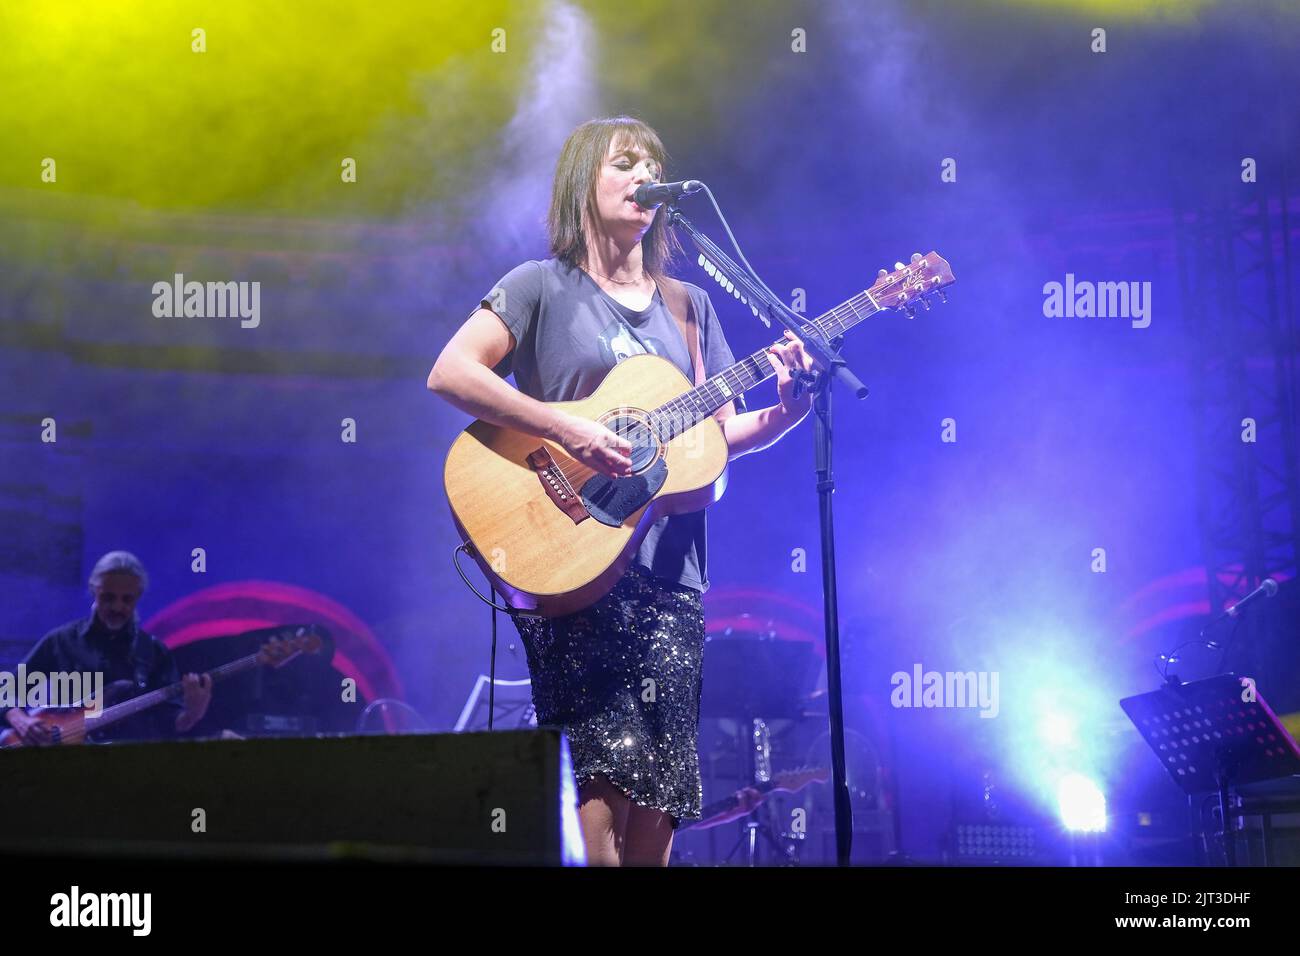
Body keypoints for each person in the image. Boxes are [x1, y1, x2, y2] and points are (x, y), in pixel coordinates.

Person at [428, 116, 816, 865]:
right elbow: (452, 372)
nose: (644, 175)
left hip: (671, 575)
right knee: (600, 782)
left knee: (663, 792)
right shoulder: (539, 287)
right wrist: (566, 430)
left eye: (653, 165)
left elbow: (719, 435)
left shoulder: (689, 306)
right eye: (624, 163)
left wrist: (790, 409)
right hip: (570, 555)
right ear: (583, 182)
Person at [2, 551, 213, 744]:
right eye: (108, 597)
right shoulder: (61, 641)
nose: (117, 607)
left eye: (127, 599)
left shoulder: (154, 652)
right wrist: (20, 720)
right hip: (66, 768)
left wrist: (192, 714)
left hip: (132, 770)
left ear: (138, 597)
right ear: (94, 591)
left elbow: (170, 723)